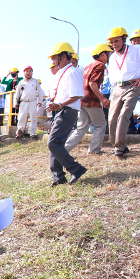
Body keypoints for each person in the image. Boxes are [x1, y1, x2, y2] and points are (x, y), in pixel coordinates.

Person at [106, 27, 140, 156]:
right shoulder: (112, 56)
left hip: (132, 86)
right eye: (112, 42)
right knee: (112, 118)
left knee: (124, 115)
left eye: (117, 41)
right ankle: (119, 145)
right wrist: (112, 93)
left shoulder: (137, 49)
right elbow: (112, 76)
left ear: (124, 39)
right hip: (117, 88)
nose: (114, 44)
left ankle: (119, 148)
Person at [45, 42, 87, 186]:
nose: (53, 62)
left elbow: (77, 95)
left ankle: (76, 169)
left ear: (63, 56)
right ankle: (58, 177)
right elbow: (61, 93)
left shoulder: (72, 72)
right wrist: (54, 101)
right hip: (60, 110)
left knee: (53, 143)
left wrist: (60, 104)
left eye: (54, 58)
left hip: (68, 111)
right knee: (56, 143)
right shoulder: (61, 73)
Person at [65, 44, 112, 155]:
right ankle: (94, 150)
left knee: (81, 127)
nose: (109, 56)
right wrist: (102, 98)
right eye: (108, 53)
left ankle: (64, 149)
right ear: (103, 54)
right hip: (92, 100)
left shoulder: (89, 65)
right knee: (100, 125)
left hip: (82, 99)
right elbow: (92, 83)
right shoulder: (100, 65)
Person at [14, 66, 42, 139]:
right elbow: (17, 93)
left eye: (30, 71)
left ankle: (33, 133)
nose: (28, 73)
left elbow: (39, 91)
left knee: (33, 117)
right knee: (21, 117)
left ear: (32, 72)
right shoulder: (21, 82)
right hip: (23, 102)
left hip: (33, 101)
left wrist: (40, 101)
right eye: (27, 71)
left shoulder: (35, 81)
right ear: (24, 73)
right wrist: (16, 103)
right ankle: (20, 132)